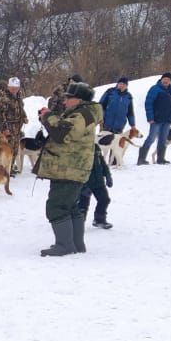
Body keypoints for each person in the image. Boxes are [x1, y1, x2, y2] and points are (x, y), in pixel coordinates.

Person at [36, 82, 100, 257]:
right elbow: (63, 126)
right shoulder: (83, 114)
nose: (65, 102)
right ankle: (76, 244)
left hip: (68, 168)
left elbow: (62, 133)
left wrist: (48, 116)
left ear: (78, 99)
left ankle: (64, 245)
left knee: (57, 206)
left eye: (68, 98)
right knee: (71, 206)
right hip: (71, 167)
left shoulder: (82, 115)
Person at [139, 72, 171, 165]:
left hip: (168, 119)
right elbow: (148, 103)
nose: (166, 81)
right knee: (151, 138)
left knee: (163, 139)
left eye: (168, 80)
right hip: (156, 119)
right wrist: (150, 117)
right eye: (164, 79)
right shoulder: (155, 89)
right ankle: (141, 159)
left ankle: (161, 159)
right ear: (161, 79)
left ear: (170, 81)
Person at [0, 77, 28, 175]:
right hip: (8, 126)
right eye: (12, 88)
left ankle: (10, 167)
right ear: (9, 87)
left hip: (17, 126)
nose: (14, 90)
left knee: (15, 148)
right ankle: (1, 169)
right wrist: (4, 128)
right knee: (5, 149)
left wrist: (24, 116)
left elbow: (21, 108)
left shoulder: (19, 96)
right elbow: (0, 114)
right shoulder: (4, 98)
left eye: (16, 88)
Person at [78, 143, 114, 230]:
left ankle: (99, 220)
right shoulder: (78, 147)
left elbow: (102, 162)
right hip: (84, 181)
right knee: (83, 204)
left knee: (104, 199)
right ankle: (78, 224)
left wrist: (107, 175)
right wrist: (83, 184)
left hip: (98, 180)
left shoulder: (95, 147)